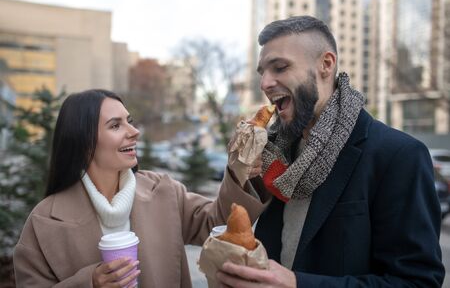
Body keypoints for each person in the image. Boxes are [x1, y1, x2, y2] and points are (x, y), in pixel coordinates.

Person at [216, 16, 445, 287]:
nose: (265, 83)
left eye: (279, 67)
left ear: (326, 64)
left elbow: (418, 282)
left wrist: (297, 284)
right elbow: (223, 219)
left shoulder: (397, 156)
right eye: (262, 72)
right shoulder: (272, 152)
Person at [13, 89, 271, 287]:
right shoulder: (43, 220)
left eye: (129, 121)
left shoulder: (164, 191)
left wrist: (239, 172)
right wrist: (89, 283)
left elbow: (217, 224)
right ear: (83, 142)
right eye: (115, 125)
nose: (134, 131)